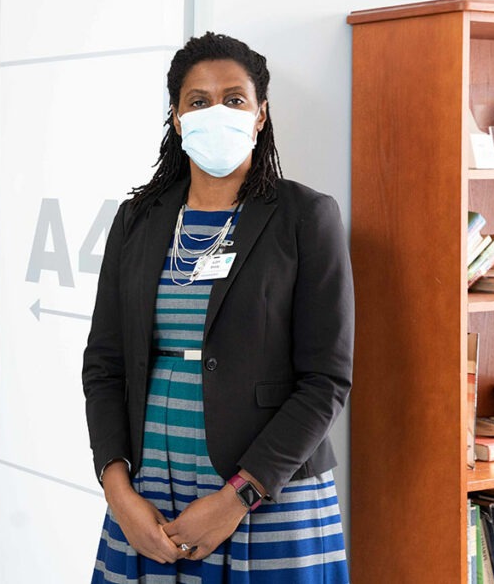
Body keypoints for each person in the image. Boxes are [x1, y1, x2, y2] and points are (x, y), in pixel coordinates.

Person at [82, 32, 353, 582]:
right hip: (149, 502)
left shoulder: (305, 218)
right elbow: (104, 365)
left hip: (267, 497)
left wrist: (237, 497)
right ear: (177, 119)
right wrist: (116, 489)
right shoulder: (137, 220)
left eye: (234, 99)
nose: (216, 112)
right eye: (198, 102)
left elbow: (325, 380)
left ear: (260, 115)